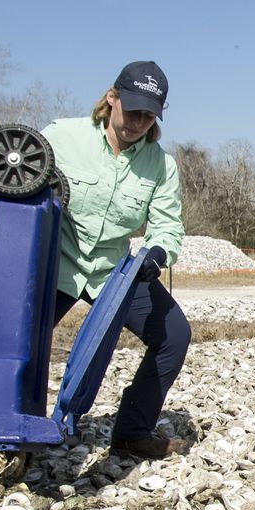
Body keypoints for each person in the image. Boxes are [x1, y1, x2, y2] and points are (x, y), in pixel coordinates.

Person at [41, 61, 191, 461]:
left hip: (114, 272)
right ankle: (7, 421)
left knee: (173, 334)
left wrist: (156, 255)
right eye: (133, 109)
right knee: (20, 338)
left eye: (149, 115)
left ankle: (132, 433)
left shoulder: (161, 166)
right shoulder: (60, 137)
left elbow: (167, 227)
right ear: (112, 98)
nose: (139, 121)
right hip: (56, 265)